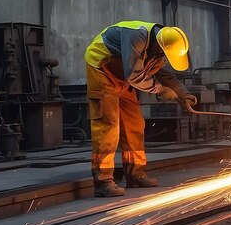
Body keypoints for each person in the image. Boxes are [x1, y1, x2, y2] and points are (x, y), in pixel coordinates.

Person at [84, 21, 197, 197]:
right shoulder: (137, 36)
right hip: (102, 70)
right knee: (109, 124)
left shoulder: (159, 48)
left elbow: (166, 75)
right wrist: (160, 90)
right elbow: (134, 76)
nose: (163, 58)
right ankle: (103, 181)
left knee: (135, 124)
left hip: (123, 78)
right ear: (159, 45)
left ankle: (134, 174)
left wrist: (184, 95)